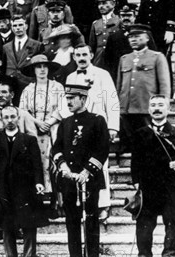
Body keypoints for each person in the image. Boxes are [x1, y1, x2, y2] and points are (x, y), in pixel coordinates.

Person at [52, 84, 109, 257]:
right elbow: (56, 148)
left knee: (91, 222)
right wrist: (63, 166)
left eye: (72, 98)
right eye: (67, 98)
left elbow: (103, 149)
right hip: (69, 179)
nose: (68, 101)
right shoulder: (65, 123)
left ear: (83, 99)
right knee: (72, 222)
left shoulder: (97, 120)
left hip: (89, 180)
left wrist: (86, 172)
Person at [65, 44, 120, 220]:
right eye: (78, 55)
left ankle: (102, 205)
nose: (81, 58)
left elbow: (111, 99)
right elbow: (68, 104)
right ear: (74, 57)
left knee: (99, 166)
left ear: (90, 55)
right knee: (78, 165)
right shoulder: (71, 76)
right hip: (78, 128)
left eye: (84, 54)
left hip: (98, 125)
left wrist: (112, 126)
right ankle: (81, 204)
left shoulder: (102, 74)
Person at [131, 95, 175, 257]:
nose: (157, 108)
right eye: (153, 105)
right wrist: (136, 182)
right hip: (148, 188)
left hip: (171, 188)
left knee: (172, 225)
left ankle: (170, 255)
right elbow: (135, 161)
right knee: (144, 226)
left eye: (161, 105)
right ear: (149, 110)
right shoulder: (140, 133)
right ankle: (144, 255)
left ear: (168, 109)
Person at [0, 106, 46, 257]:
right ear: (1, 120)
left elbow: (37, 164)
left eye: (13, 117)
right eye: (6, 117)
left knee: (29, 225)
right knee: (7, 226)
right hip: (4, 189)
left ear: (18, 118)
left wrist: (39, 182)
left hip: (25, 189)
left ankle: (29, 254)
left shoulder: (29, 140)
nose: (10, 120)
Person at [117, 24, 170, 154]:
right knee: (128, 145)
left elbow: (164, 84)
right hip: (127, 108)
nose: (133, 40)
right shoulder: (124, 59)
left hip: (146, 107)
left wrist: (162, 105)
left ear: (147, 38)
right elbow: (119, 85)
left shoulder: (157, 57)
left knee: (148, 144)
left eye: (137, 36)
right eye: (130, 37)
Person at [19, 55, 65, 194]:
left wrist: (49, 122)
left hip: (53, 127)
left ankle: (55, 200)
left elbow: (62, 107)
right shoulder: (28, 89)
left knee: (53, 161)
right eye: (38, 67)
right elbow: (23, 110)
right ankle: (39, 195)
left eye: (45, 66)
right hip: (34, 128)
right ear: (34, 70)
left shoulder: (57, 87)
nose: (42, 70)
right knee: (37, 160)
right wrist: (37, 122)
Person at [103, 4, 157, 83]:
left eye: (129, 15)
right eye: (123, 15)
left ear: (135, 16)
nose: (126, 18)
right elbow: (108, 60)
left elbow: (153, 54)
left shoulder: (145, 34)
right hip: (120, 76)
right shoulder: (114, 37)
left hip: (141, 75)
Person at [2, 15, 43, 94]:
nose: (18, 28)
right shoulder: (6, 47)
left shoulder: (37, 45)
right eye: (15, 25)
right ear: (12, 28)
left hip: (29, 85)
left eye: (20, 25)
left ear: (26, 26)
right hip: (11, 86)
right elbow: (4, 68)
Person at [88, 0, 121, 69]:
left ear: (113, 4)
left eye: (104, 3)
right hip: (99, 60)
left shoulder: (119, 21)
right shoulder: (96, 24)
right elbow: (92, 46)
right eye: (99, 4)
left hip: (115, 59)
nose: (101, 6)